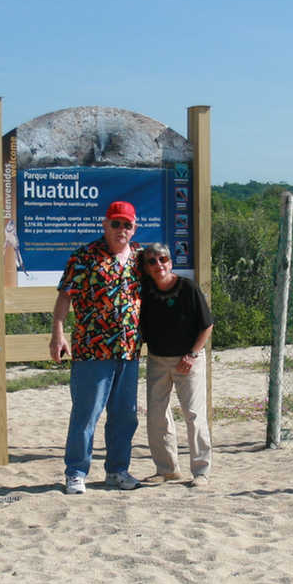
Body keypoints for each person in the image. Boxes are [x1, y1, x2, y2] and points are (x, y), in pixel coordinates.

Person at [50, 201, 144, 494]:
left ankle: (117, 471)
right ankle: (76, 472)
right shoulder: (84, 257)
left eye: (127, 225)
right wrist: (58, 333)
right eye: (116, 224)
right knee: (86, 413)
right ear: (105, 225)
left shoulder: (141, 258)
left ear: (134, 227)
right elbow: (65, 297)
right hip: (93, 350)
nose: (121, 230)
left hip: (129, 351)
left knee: (125, 415)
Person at [137, 242, 214, 487]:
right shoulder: (145, 290)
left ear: (171, 262)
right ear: (146, 267)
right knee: (157, 416)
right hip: (158, 360)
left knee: (193, 414)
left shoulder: (188, 288)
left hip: (187, 360)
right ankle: (167, 469)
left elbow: (207, 325)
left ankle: (201, 471)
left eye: (162, 259)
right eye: (151, 261)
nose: (158, 265)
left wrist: (192, 355)